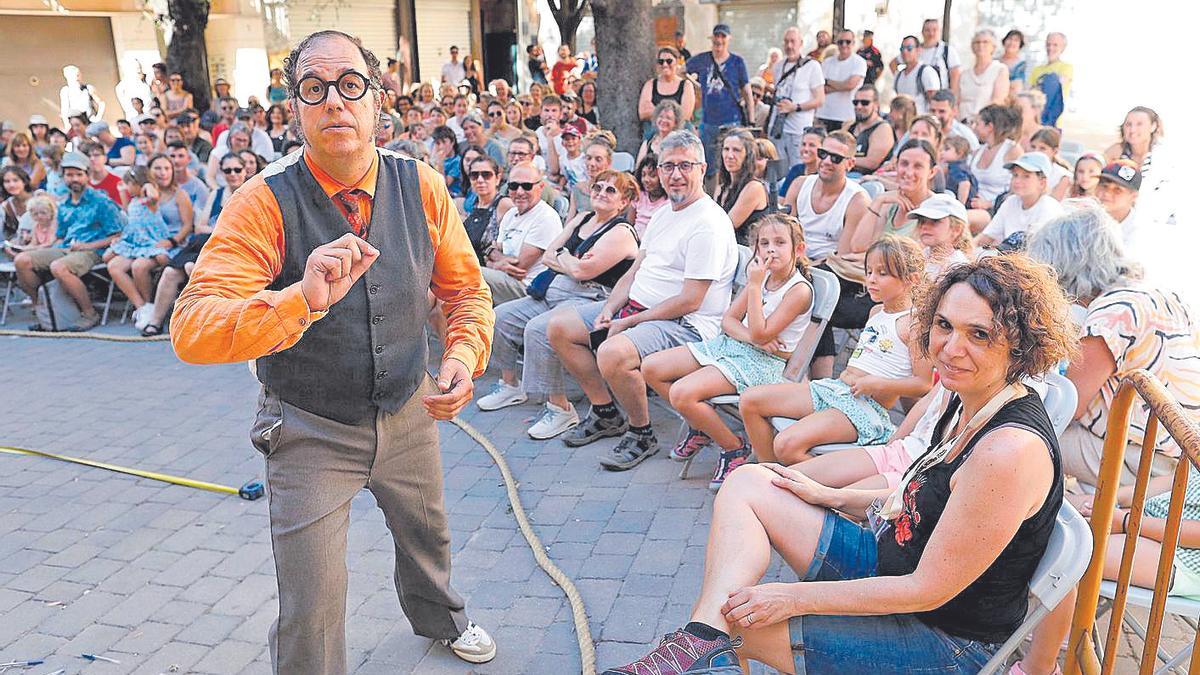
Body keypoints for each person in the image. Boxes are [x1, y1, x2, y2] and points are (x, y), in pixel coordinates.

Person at [170, 30, 498, 672]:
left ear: (378, 99)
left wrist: (463, 355)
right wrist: (300, 301)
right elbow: (193, 328)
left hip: (409, 410)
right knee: (313, 598)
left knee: (427, 536)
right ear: (293, 108)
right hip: (310, 427)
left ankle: (440, 619)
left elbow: (465, 291)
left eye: (351, 85)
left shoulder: (423, 186)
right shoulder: (263, 202)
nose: (335, 103)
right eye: (313, 90)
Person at [601, 253, 1075, 675]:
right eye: (945, 325)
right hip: (891, 564)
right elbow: (936, 499)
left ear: (1020, 345)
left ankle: (706, 647)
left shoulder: (1007, 451)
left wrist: (790, 597)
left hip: (943, 637)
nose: (951, 347)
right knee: (751, 481)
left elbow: (927, 590)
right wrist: (838, 497)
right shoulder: (967, 395)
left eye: (980, 334)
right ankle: (701, 644)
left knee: (743, 624)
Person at [545, 130, 738, 469]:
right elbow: (635, 271)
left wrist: (629, 321)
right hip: (641, 310)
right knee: (560, 327)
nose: (675, 175)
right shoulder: (665, 212)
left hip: (686, 326)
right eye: (667, 166)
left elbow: (691, 300)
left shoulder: (708, 223)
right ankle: (606, 412)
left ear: (702, 168)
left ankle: (641, 432)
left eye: (684, 166)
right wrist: (609, 307)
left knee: (613, 352)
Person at [1027, 203, 1199, 491]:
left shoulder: (1111, 313)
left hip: (1148, 460)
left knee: (1015, 434)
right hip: (1181, 452)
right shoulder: (1155, 293)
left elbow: (1069, 406)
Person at [644, 213, 814, 489]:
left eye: (780, 242)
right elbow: (728, 321)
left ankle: (734, 446)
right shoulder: (761, 278)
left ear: (799, 249)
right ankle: (701, 426)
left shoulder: (798, 291)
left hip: (765, 363)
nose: (771, 249)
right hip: (736, 348)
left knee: (682, 393)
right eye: (764, 243)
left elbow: (761, 334)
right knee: (651, 368)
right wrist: (752, 335)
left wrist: (756, 289)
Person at [741, 234, 933, 464]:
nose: (871, 279)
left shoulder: (914, 324)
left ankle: (818, 486)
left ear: (911, 279)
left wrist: (877, 384)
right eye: (869, 271)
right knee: (750, 401)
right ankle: (767, 469)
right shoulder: (875, 312)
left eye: (882, 273)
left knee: (786, 444)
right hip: (837, 389)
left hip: (864, 408)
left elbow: (923, 384)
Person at [477, 169, 640, 440]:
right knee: (501, 316)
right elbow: (550, 255)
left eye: (611, 191)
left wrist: (565, 260)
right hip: (553, 293)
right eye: (598, 187)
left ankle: (560, 408)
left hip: (591, 300)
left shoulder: (621, 232)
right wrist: (570, 260)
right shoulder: (582, 218)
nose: (601, 193)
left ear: (623, 202)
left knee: (539, 329)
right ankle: (510, 385)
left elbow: (582, 273)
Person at [141, 153, 248, 336]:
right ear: (221, 172)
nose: (233, 174)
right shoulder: (217, 193)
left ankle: (204, 324)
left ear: (245, 171)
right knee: (169, 272)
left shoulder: (251, 193)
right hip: (205, 242)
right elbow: (199, 227)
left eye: (237, 169)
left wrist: (216, 230)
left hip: (231, 247)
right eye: (228, 170)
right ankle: (155, 321)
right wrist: (217, 230)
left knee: (192, 268)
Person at [14, 152, 122, 331]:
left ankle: (89, 313)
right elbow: (60, 236)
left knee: (59, 266)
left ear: (87, 176)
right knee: (22, 260)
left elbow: (117, 236)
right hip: (66, 248)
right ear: (63, 177)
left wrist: (87, 246)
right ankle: (43, 309)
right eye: (70, 175)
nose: (74, 179)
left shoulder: (101, 202)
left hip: (92, 251)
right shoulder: (64, 204)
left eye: (79, 174)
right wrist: (36, 246)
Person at [103, 166, 179, 325]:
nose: (127, 188)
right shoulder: (134, 201)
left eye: (128, 184)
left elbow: (153, 195)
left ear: (137, 183)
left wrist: (147, 185)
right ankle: (142, 307)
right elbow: (129, 216)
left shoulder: (150, 200)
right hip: (134, 243)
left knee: (139, 267)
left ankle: (151, 305)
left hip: (151, 242)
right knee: (113, 265)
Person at [781, 131, 868, 266]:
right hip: (792, 259)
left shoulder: (857, 201)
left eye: (836, 158)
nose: (827, 161)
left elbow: (842, 257)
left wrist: (806, 266)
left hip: (829, 268)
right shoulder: (799, 184)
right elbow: (782, 232)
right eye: (823, 154)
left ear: (850, 164)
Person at [482, 161, 562, 305]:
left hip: (527, 288)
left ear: (541, 187)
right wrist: (494, 258)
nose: (519, 192)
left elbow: (518, 268)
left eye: (526, 186)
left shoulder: (545, 217)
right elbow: (492, 249)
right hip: (503, 278)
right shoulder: (511, 214)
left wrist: (494, 262)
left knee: (466, 273)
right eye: (513, 186)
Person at [687, 24, 754, 178]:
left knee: (732, 163)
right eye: (717, 36)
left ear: (729, 39)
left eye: (723, 36)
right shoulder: (703, 59)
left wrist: (750, 121)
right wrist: (697, 86)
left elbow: (747, 92)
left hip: (731, 121)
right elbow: (682, 70)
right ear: (712, 38)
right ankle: (712, 197)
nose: (719, 40)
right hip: (708, 122)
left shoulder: (737, 62)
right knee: (707, 166)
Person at [765, 27, 825, 172]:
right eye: (786, 42)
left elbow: (820, 99)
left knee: (798, 171)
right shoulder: (778, 66)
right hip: (777, 129)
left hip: (798, 130)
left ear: (801, 43)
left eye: (793, 41)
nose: (789, 46)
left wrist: (795, 107)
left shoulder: (812, 66)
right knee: (778, 172)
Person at [975, 152, 1064, 249]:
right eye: (1015, 175)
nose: (1017, 181)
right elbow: (986, 237)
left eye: (1026, 176)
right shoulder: (1010, 202)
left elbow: (1038, 253)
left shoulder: (1049, 208)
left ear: (1042, 183)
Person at [715, 128, 769, 246]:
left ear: (747, 155)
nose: (730, 155)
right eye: (726, 149)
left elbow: (725, 227)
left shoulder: (754, 188)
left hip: (747, 254)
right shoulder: (722, 187)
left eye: (736, 150)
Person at [967, 103, 1022, 213]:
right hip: (972, 204)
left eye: (977, 123)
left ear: (989, 127)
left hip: (997, 209)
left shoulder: (1012, 150)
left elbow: (1017, 187)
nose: (974, 128)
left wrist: (989, 204)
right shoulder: (978, 151)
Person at [458, 156, 514, 262]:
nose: (480, 180)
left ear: (497, 178)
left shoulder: (504, 204)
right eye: (474, 175)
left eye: (486, 175)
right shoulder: (475, 205)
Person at [911, 192, 974, 276]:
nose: (925, 226)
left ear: (956, 229)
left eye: (934, 221)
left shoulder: (957, 267)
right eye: (922, 221)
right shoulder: (920, 256)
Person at [816, 30, 866, 132]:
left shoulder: (859, 62)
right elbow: (820, 88)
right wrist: (842, 86)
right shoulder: (827, 62)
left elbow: (850, 85)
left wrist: (828, 81)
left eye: (847, 42)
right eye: (840, 42)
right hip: (824, 115)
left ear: (853, 43)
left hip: (846, 117)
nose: (844, 45)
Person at [1095, 159, 1144, 256]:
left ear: (1134, 196)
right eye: (1104, 186)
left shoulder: (1140, 232)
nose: (1107, 193)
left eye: (1117, 190)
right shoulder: (1085, 220)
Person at [959, 29, 1009, 119]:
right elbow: (957, 100)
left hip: (985, 123)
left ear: (993, 47)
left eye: (985, 42)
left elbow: (998, 101)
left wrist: (979, 120)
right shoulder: (964, 74)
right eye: (977, 42)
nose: (981, 45)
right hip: (963, 123)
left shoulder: (999, 70)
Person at [847, 86, 894, 175]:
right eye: (855, 102)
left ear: (876, 105)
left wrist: (842, 159)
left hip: (866, 179)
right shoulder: (849, 126)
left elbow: (871, 163)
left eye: (865, 103)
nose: (859, 106)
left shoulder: (882, 129)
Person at [1104, 106, 1163, 176]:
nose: (1132, 130)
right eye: (1128, 124)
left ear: (1153, 126)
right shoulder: (1115, 152)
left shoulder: (1163, 154)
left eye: (1139, 124)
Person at [1028, 32, 1072, 124]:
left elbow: (1057, 85)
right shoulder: (1037, 70)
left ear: (1063, 48)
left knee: (1051, 78)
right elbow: (1029, 92)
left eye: (1055, 45)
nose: (1050, 48)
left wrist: (1039, 86)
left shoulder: (1066, 67)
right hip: (1034, 117)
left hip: (1052, 120)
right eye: (1048, 44)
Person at [894, 35, 941, 115]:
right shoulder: (899, 75)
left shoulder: (926, 72)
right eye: (902, 49)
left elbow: (935, 104)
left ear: (918, 50)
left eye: (909, 48)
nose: (905, 52)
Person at [917, 18, 962, 97]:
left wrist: (952, 98)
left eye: (934, 30)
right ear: (922, 32)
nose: (931, 34)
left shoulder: (947, 50)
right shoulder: (915, 50)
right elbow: (894, 63)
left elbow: (955, 75)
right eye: (927, 30)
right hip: (919, 98)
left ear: (939, 31)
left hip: (940, 99)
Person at [5, 193, 58, 259]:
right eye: (35, 214)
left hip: (51, 251)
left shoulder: (53, 225)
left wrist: (32, 249)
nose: (39, 216)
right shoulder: (36, 227)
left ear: (51, 212)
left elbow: (49, 243)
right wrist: (22, 249)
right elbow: (33, 243)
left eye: (43, 213)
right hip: (39, 250)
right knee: (15, 252)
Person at [1028, 127, 1072, 201]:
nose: (1036, 151)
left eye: (1042, 148)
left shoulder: (1062, 176)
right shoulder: (1022, 169)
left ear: (1055, 151)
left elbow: (1054, 205)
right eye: (1033, 147)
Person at [79, 141, 127, 208]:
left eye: (96, 155)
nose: (92, 159)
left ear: (105, 158)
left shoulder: (117, 183)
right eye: (88, 156)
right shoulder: (80, 183)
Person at [636, 100, 684, 165]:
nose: (663, 120)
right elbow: (639, 168)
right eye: (661, 116)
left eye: (668, 118)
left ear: (675, 123)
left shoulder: (679, 144)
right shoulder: (648, 143)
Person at [632, 153, 668, 236]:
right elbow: (629, 224)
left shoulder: (668, 202)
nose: (646, 180)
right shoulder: (638, 196)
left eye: (652, 176)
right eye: (643, 175)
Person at [167, 141, 211, 206]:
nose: (176, 160)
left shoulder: (199, 188)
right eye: (172, 156)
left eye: (181, 156)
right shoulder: (160, 184)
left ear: (189, 159)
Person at [940, 136, 978, 206]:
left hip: (965, 204)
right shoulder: (956, 166)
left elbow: (965, 184)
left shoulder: (957, 168)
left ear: (959, 153)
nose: (942, 152)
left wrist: (960, 205)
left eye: (947, 149)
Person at [1, 166, 33, 242]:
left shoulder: (40, 196)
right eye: (7, 181)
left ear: (24, 181)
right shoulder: (7, 205)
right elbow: (10, 233)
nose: (11, 185)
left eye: (15, 180)